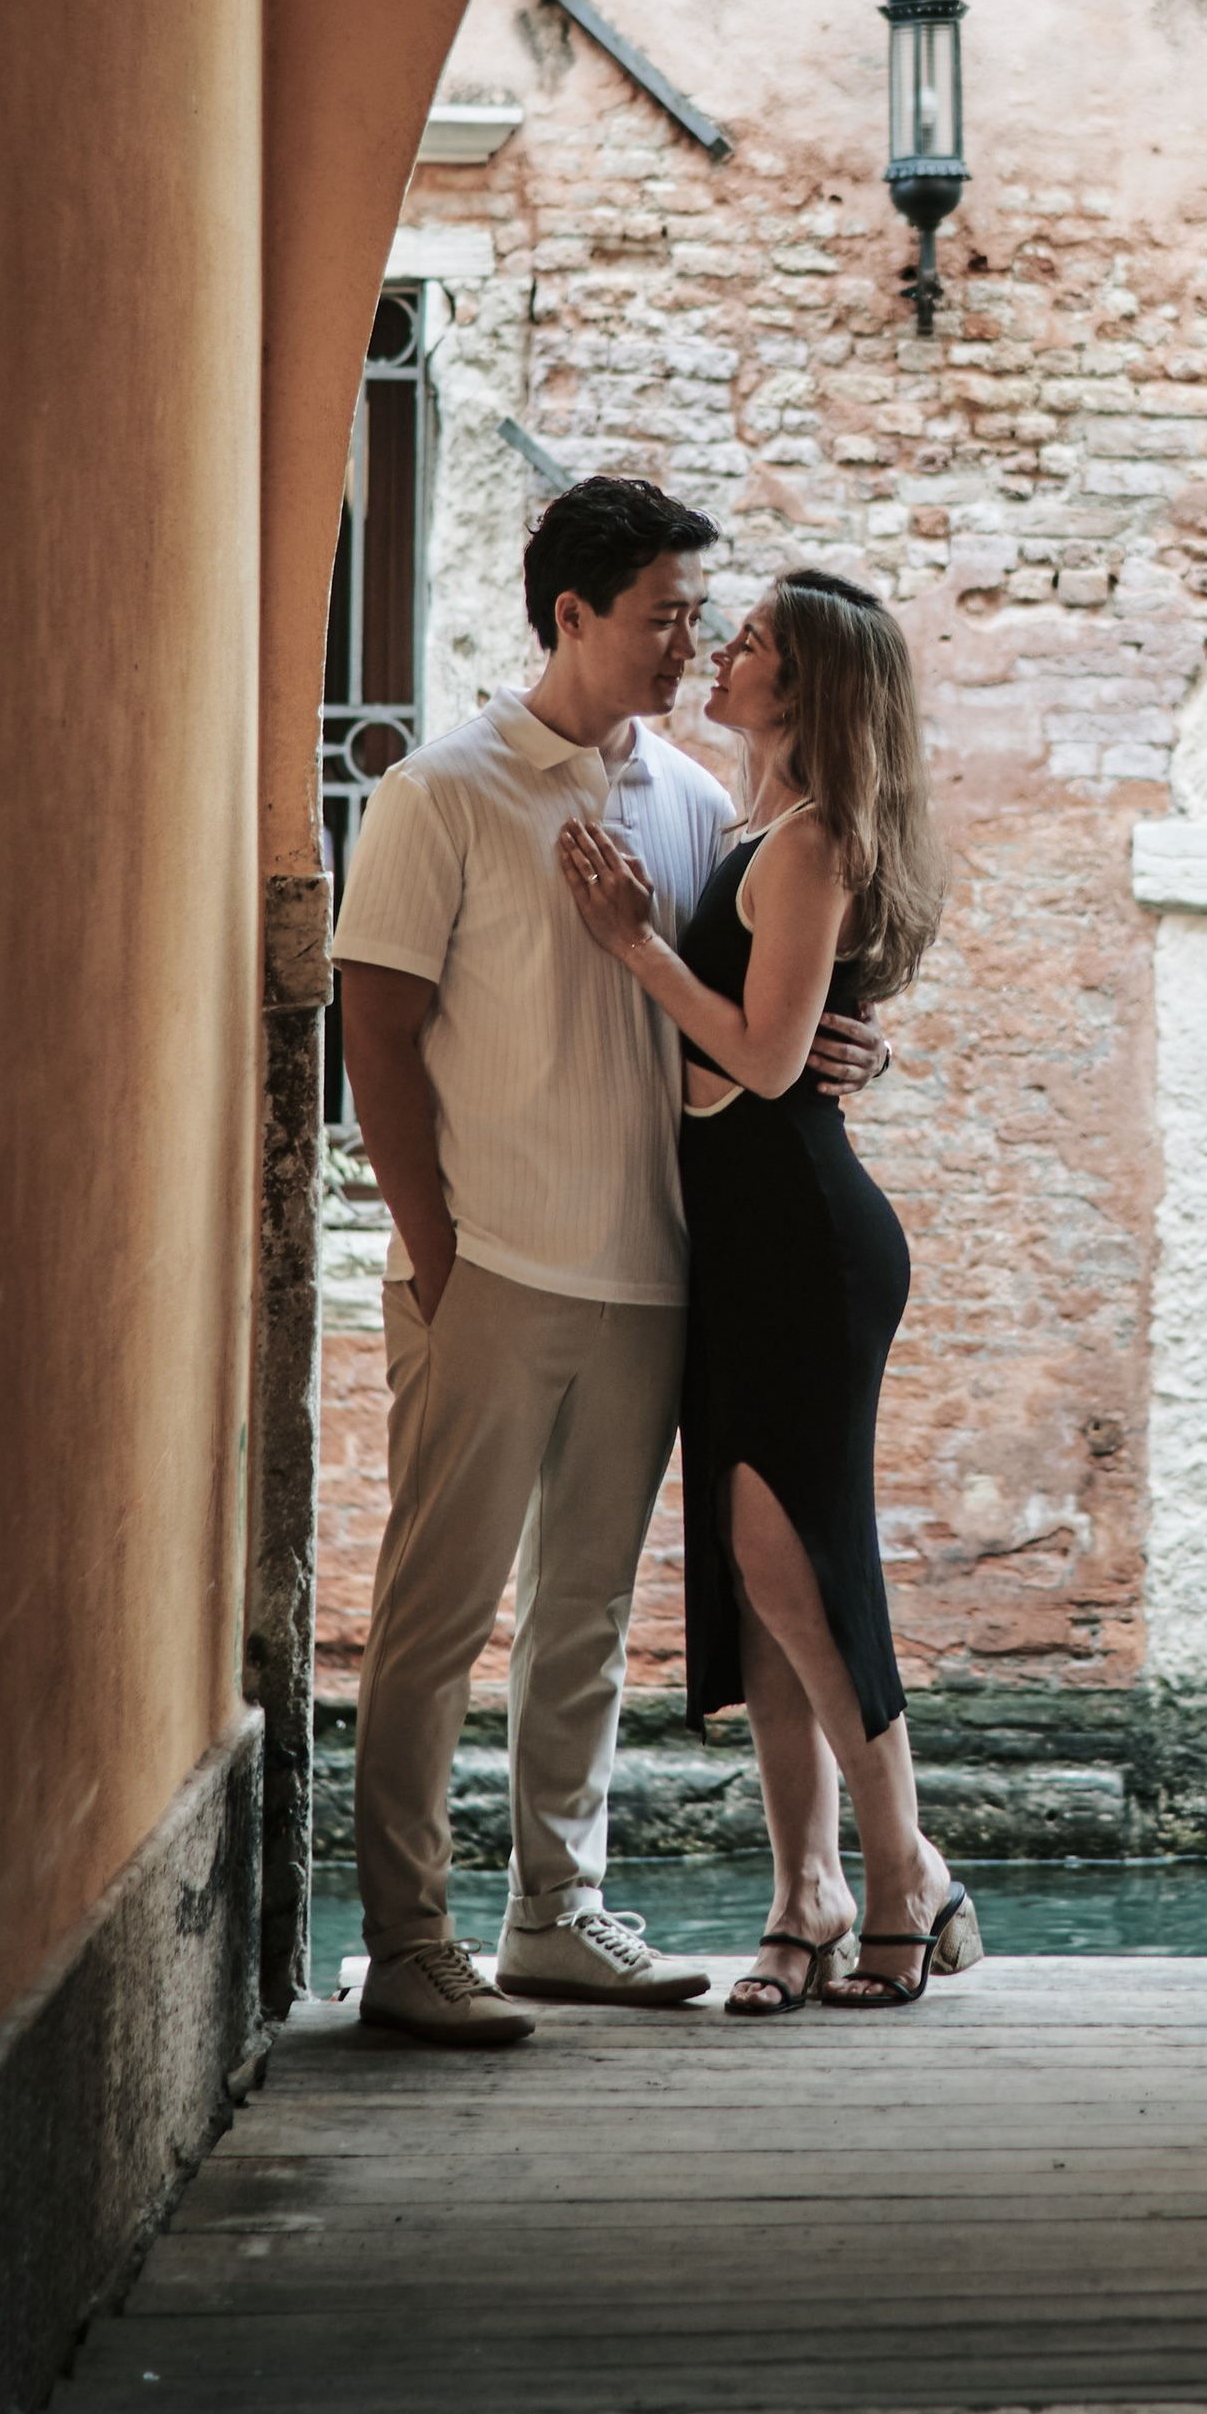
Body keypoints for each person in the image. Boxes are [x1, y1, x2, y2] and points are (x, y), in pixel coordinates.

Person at [334, 476, 888, 2046]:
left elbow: (747, 1008)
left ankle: (556, 1914)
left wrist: (848, 1047)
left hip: (654, 1271)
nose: (685, 643)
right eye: (661, 615)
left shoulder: (700, 804)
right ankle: (407, 1936)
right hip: (493, 1266)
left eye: (699, 618)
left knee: (581, 1617)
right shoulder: (442, 793)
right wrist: (437, 1251)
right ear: (571, 614)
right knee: (437, 1617)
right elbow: (373, 1025)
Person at [558, 568, 981, 2015]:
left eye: (748, 641)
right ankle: (807, 1893)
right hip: (742, 1240)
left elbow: (767, 1054)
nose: (721, 650)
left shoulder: (807, 841)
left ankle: (901, 1873)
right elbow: (799, 1035)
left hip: (803, 1244)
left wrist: (634, 947)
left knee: (803, 1565)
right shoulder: (746, 824)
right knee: (757, 1577)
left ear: (804, 687)